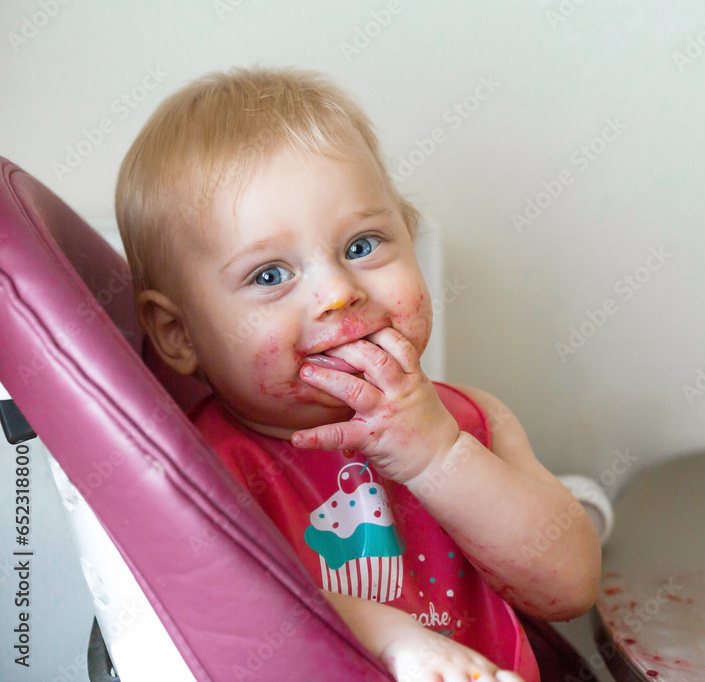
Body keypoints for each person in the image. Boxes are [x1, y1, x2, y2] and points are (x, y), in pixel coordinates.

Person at [115, 66, 601, 682]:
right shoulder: (200, 475)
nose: (338, 293)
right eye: (270, 275)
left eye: (362, 245)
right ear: (179, 334)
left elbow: (569, 588)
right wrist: (392, 642)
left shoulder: (475, 420)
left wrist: (437, 457)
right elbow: (236, 621)